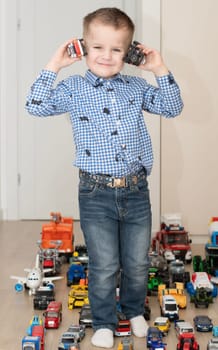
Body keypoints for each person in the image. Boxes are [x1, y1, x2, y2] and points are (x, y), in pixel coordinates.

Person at [26, 7, 183, 348]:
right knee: (104, 264)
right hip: (95, 192)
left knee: (137, 262)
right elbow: (35, 105)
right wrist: (55, 63)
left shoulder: (137, 86)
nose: (107, 56)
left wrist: (159, 69)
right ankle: (104, 321)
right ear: (82, 47)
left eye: (117, 49)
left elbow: (172, 108)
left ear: (130, 53)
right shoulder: (73, 88)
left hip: (136, 190)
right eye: (98, 47)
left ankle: (133, 310)